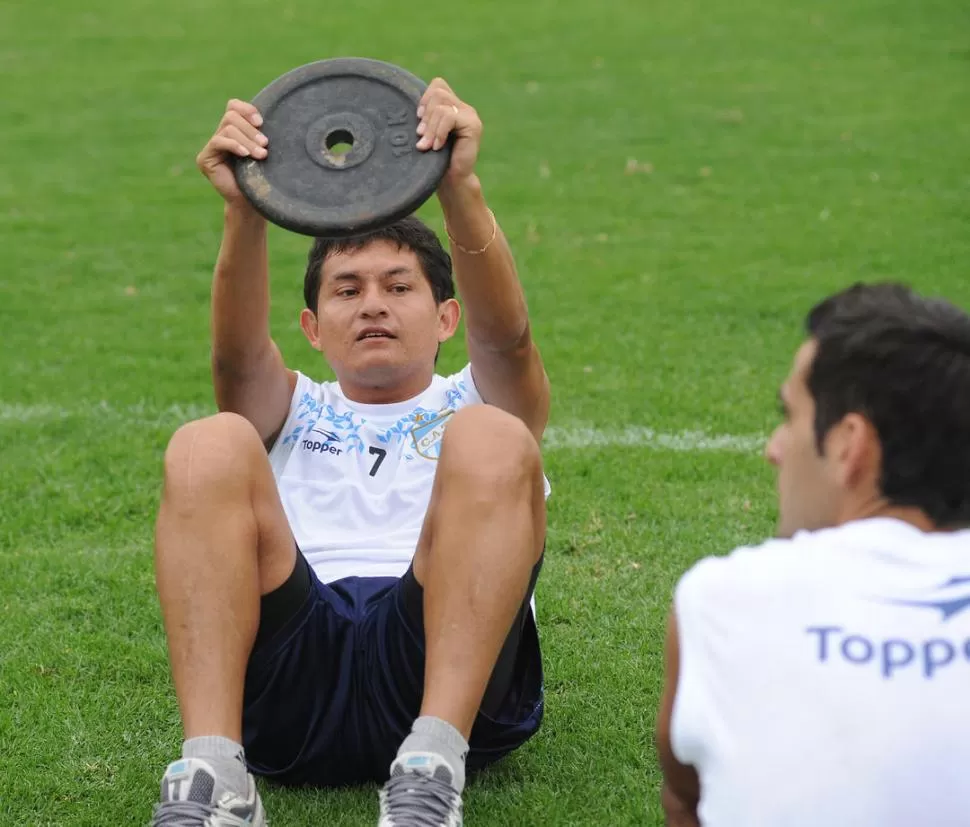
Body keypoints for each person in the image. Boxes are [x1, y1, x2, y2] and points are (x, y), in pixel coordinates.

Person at [150, 77, 550, 827]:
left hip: (439, 659)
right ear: (311, 325)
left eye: (398, 286)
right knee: (209, 443)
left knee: (495, 436)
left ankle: (431, 770)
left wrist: (459, 186)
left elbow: (512, 342)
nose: (371, 302)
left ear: (445, 316)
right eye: (346, 290)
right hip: (294, 671)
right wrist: (246, 208)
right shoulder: (292, 407)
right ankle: (215, 772)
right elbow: (237, 366)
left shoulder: (479, 398)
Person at [656, 283, 970, 827]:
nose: (773, 449)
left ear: (850, 444)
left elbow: (688, 797)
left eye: (790, 416)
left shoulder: (725, 599)